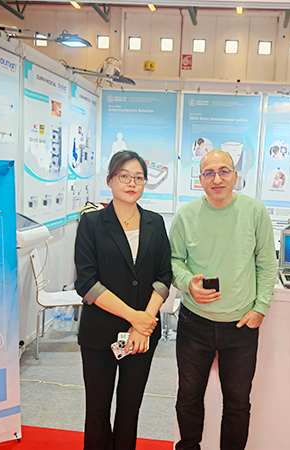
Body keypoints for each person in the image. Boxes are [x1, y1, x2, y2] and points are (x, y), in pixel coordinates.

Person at [170, 150, 277, 450]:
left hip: (241, 325)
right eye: (209, 173)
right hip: (194, 321)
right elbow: (174, 260)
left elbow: (267, 263)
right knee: (188, 396)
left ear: (235, 175)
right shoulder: (186, 216)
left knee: (238, 401)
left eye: (223, 171)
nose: (217, 179)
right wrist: (187, 284)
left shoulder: (254, 212)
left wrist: (260, 308)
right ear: (200, 179)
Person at [74, 150, 173, 450]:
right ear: (110, 180)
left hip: (141, 336)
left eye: (139, 178)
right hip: (100, 332)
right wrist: (136, 318)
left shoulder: (155, 223)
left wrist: (144, 324)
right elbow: (86, 283)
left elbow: (164, 276)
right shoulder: (91, 223)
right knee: (97, 410)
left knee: (130, 409)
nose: (132, 183)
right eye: (124, 176)